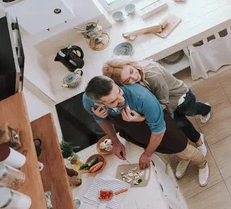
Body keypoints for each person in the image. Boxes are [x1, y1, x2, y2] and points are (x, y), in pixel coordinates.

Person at [82, 76, 210, 186]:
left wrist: (148, 154)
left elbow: (159, 131)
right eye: (113, 101)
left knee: (183, 148)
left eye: (120, 92)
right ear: (99, 103)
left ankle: (202, 163)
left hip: (160, 127)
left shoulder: (142, 97)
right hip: (134, 130)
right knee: (169, 150)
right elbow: (101, 120)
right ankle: (184, 158)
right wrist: (115, 142)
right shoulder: (88, 101)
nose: (121, 100)